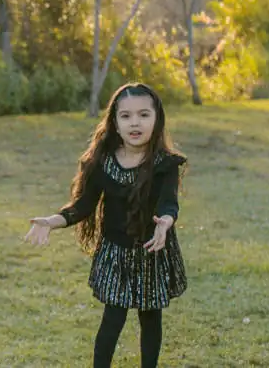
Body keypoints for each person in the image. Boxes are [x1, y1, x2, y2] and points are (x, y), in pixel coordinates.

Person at [24, 83, 188, 368]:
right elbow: (82, 206)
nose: (135, 122)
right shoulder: (103, 162)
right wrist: (52, 221)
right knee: (113, 319)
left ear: (157, 119)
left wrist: (165, 222)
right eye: (126, 116)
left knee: (151, 318)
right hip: (116, 253)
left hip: (151, 250)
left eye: (143, 115)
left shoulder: (165, 164)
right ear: (115, 122)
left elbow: (168, 204)